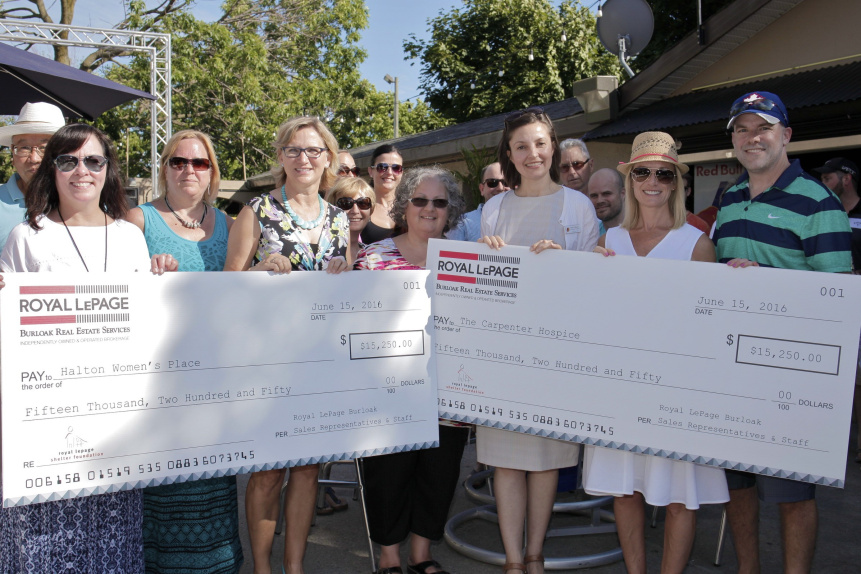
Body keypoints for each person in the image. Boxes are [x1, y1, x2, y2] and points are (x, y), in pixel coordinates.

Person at [0, 123, 176, 573]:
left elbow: (147, 327)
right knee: (46, 545)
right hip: (48, 419)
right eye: (68, 160)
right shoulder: (26, 237)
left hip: (115, 419)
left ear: (108, 170)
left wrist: (161, 280)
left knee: (112, 541)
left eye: (94, 160)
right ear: (52, 170)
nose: (82, 170)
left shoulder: (130, 238)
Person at [713, 91, 851, 574]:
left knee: (792, 493)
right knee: (738, 487)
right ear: (733, 139)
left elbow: (837, 300)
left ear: (786, 135)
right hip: (732, 371)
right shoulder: (728, 199)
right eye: (742, 129)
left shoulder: (819, 201)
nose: (752, 137)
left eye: (763, 127)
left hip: (792, 375)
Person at [583, 131, 728, 574]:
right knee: (625, 490)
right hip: (621, 385)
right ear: (630, 179)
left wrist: (739, 279)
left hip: (677, 390)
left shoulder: (697, 244)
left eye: (663, 173)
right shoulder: (609, 241)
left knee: (680, 495)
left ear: (676, 183)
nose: (652, 181)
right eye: (642, 171)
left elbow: (714, 324)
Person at [223, 116, 349, 574]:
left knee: (308, 469)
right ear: (281, 156)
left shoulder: (339, 220)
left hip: (320, 361)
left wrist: (344, 276)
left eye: (314, 151)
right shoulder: (257, 211)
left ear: (328, 159)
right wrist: (258, 271)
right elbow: (227, 285)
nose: (304, 159)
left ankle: (294, 566)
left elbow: (348, 293)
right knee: (269, 470)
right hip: (266, 362)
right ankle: (263, 568)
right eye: (294, 150)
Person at [478, 107, 600, 574]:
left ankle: (535, 556)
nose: (533, 153)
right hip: (502, 357)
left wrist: (566, 261)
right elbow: (479, 292)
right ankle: (513, 560)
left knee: (547, 461)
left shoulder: (578, 207)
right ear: (509, 154)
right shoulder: (493, 209)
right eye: (522, 146)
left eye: (540, 143)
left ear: (553, 145)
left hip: (555, 357)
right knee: (506, 463)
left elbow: (592, 284)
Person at [126, 129, 243, 573]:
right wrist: (145, 272)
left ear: (212, 172)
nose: (188, 170)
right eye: (178, 161)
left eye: (199, 163)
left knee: (215, 482)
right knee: (164, 491)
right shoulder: (137, 220)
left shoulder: (230, 225)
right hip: (161, 385)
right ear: (165, 168)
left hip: (215, 384)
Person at [354, 166, 469, 574]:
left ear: (450, 209)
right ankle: (389, 557)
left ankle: (421, 555)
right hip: (387, 393)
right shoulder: (372, 258)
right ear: (404, 206)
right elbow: (351, 325)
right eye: (420, 200)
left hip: (450, 390)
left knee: (438, 473)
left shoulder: (466, 259)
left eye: (440, 202)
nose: (429, 208)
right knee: (388, 473)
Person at [812, 157, 861, 463]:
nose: (823, 183)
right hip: (829, 308)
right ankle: (832, 438)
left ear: (847, 178)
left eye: (828, 177)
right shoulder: (822, 212)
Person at [0, 101, 65, 250]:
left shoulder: (86, 204)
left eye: (44, 148)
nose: (34, 158)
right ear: (12, 152)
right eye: (24, 148)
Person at [446, 161, 508, 242]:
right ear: (482, 189)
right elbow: (449, 253)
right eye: (492, 183)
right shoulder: (462, 224)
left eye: (506, 182)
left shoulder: (526, 223)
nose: (500, 188)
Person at [325, 176, 376, 265]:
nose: (355, 211)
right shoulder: (322, 252)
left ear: (371, 210)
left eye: (363, 203)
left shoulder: (374, 255)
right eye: (346, 203)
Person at [364, 144, 404, 243]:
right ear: (370, 171)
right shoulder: (360, 206)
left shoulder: (410, 208)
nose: (390, 172)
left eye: (396, 168)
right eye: (382, 167)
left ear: (402, 172)